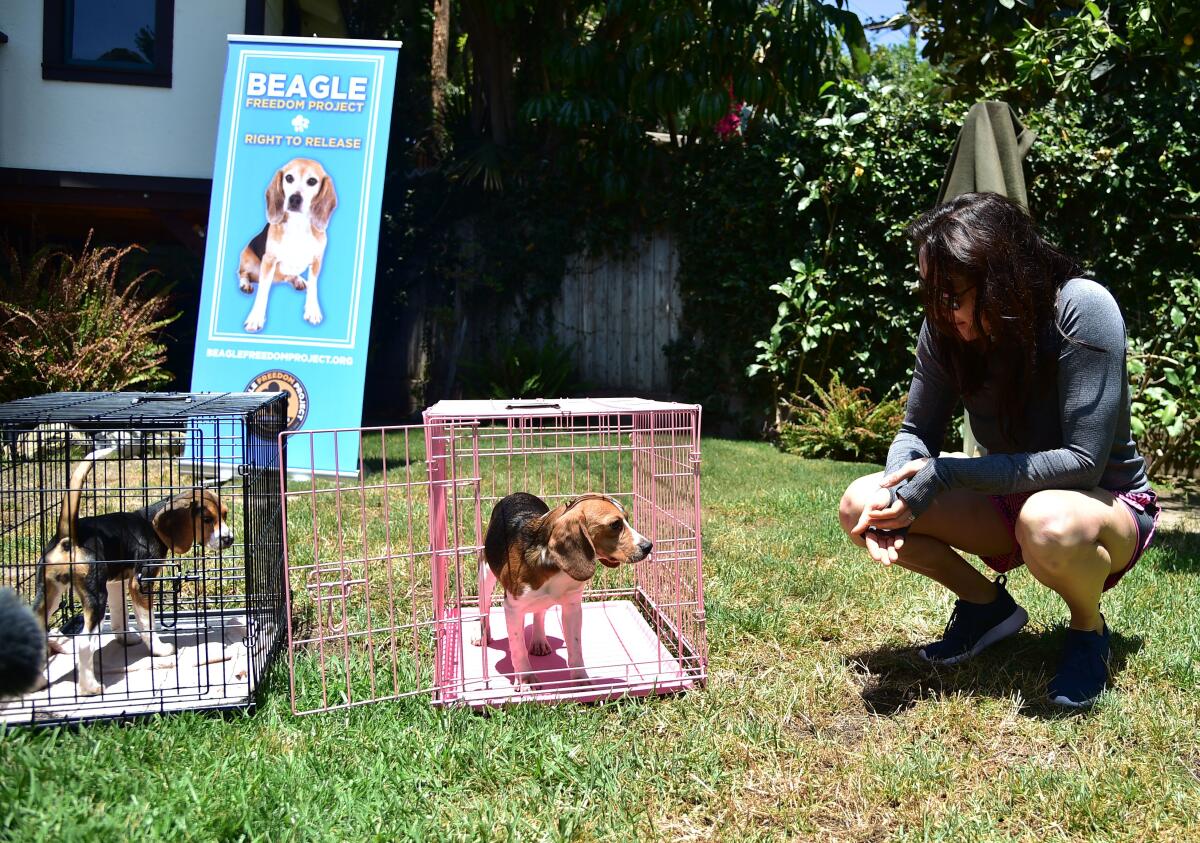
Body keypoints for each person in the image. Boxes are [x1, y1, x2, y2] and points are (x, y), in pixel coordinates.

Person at [839, 192, 1159, 708]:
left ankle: (1087, 630)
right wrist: (900, 492)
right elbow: (916, 429)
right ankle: (986, 607)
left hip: (1100, 503)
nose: (942, 309)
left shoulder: (1081, 307)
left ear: (1001, 279)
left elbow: (1082, 462)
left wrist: (946, 476)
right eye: (930, 290)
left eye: (953, 294)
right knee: (861, 502)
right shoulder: (945, 329)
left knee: (1046, 520)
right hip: (1008, 497)